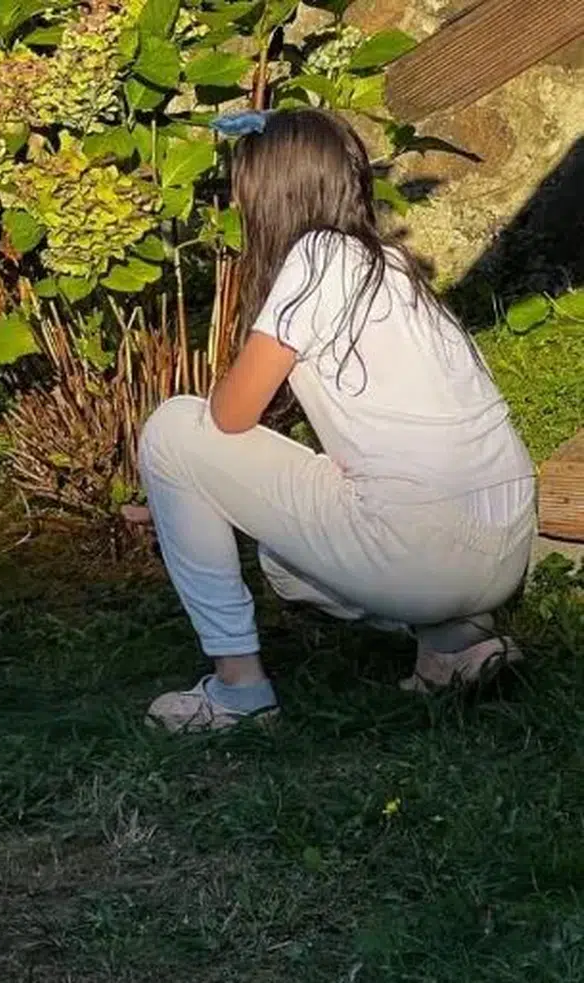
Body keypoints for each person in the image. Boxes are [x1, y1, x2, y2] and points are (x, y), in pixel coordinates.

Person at [138, 108, 537, 733]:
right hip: (507, 552)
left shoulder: (318, 255)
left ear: (271, 192)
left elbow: (231, 415)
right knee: (284, 562)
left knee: (172, 430)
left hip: (423, 555)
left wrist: (181, 486)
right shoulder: (394, 266)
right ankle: (453, 646)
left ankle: (238, 693)